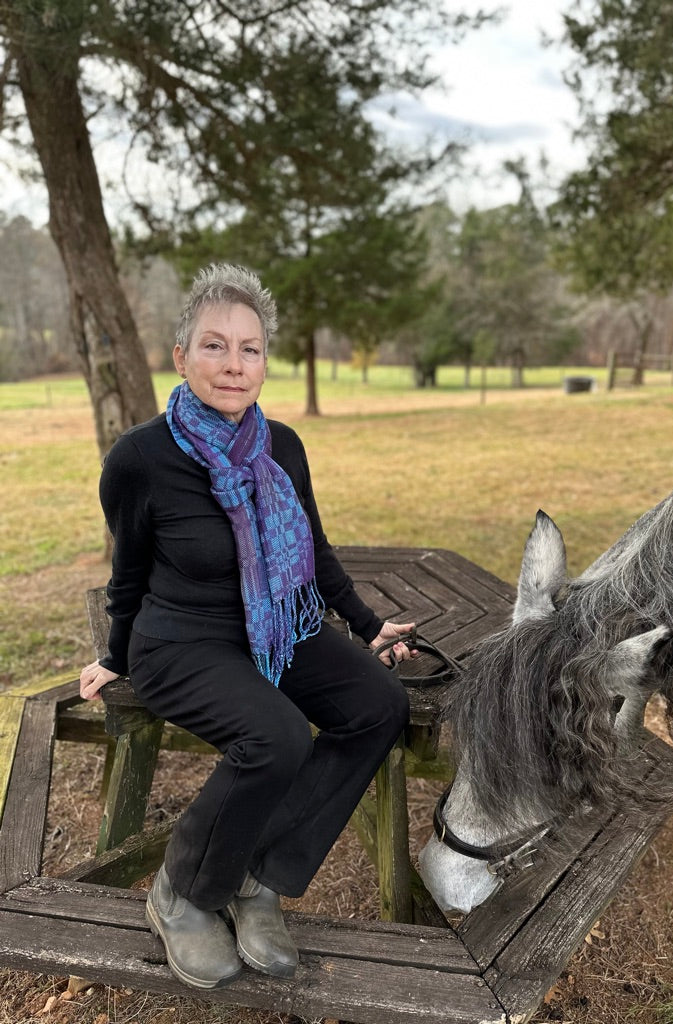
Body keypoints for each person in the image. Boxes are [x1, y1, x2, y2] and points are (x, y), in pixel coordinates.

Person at [79, 263, 415, 991]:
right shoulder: (139, 459)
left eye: (250, 348)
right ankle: (182, 892)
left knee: (378, 706)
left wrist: (367, 624)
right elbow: (129, 571)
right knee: (278, 735)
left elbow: (316, 551)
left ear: (266, 360)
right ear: (181, 357)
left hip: (276, 629)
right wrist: (114, 654)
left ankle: (257, 875)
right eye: (215, 346)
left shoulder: (281, 446)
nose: (235, 365)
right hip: (179, 642)